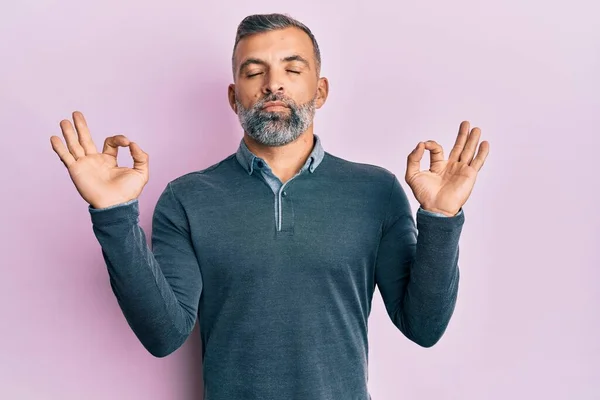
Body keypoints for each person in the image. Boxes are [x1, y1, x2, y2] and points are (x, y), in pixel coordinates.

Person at [50, 13, 489, 400]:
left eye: (291, 69)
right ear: (234, 96)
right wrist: (113, 214)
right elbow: (164, 335)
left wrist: (441, 219)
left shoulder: (376, 191)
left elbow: (424, 327)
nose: (272, 84)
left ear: (320, 90)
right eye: (254, 71)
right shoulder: (186, 198)